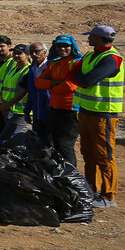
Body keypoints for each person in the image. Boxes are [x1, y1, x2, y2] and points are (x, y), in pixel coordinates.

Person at [70, 25, 124, 208]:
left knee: (104, 155)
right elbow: (75, 74)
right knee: (88, 153)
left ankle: (108, 196)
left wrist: (79, 77)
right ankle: (92, 189)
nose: (88, 39)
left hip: (104, 114)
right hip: (86, 111)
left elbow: (86, 80)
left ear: (99, 38)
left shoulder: (112, 59)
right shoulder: (90, 56)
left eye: (91, 36)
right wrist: (79, 77)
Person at [35, 34, 81, 168]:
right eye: (59, 45)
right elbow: (38, 82)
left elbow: (70, 86)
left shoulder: (77, 62)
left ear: (72, 47)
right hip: (55, 108)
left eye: (66, 45)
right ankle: (61, 172)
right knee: (55, 142)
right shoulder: (54, 63)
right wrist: (57, 83)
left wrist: (51, 83)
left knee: (64, 144)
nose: (62, 48)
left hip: (72, 109)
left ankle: (71, 174)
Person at [0, 44, 33, 143]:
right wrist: (4, 104)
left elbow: (24, 91)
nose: (16, 55)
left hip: (21, 111)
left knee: (6, 138)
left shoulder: (29, 70)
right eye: (14, 53)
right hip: (9, 110)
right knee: (6, 138)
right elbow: (5, 87)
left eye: (19, 53)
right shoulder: (13, 69)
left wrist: (7, 104)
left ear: (27, 55)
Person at [23, 42, 52, 145]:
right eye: (31, 52)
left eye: (37, 51)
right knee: (38, 140)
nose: (34, 54)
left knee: (50, 141)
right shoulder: (32, 68)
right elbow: (31, 91)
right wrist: (27, 110)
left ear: (45, 52)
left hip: (50, 110)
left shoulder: (51, 66)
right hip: (37, 111)